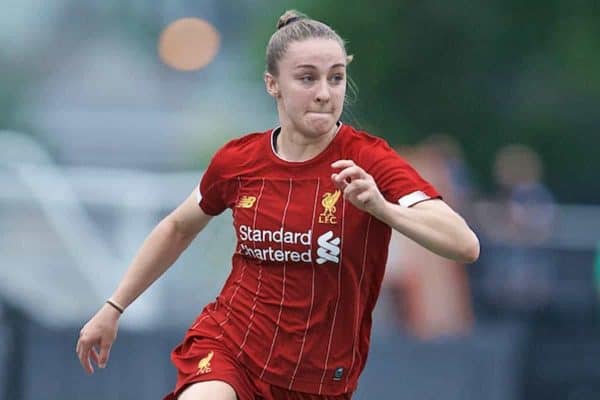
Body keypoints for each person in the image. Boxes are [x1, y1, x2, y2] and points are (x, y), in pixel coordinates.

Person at [76, 10, 480, 400]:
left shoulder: (370, 161)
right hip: (231, 346)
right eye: (307, 78)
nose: (324, 92)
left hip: (318, 377)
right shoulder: (239, 160)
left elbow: (464, 245)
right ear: (273, 84)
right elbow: (178, 227)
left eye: (336, 78)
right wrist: (114, 307)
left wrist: (383, 209)